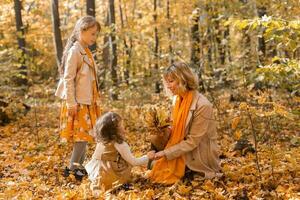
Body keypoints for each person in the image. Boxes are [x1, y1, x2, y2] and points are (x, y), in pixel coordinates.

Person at [149, 62, 222, 184]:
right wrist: (156, 143)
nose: (168, 86)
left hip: (197, 154)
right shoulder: (177, 100)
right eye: (166, 82)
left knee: (158, 167)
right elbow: (175, 129)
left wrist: (165, 153)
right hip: (182, 148)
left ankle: (189, 171)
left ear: (183, 80)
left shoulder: (203, 105)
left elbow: (192, 141)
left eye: (171, 81)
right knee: (153, 162)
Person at [55, 16, 101, 181]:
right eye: (92, 34)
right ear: (82, 31)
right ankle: (72, 171)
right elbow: (68, 78)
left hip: (86, 101)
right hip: (77, 103)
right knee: (81, 139)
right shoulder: (75, 51)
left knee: (85, 137)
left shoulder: (85, 50)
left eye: (96, 34)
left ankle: (78, 170)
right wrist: (71, 103)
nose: (94, 38)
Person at [85, 112, 155, 194]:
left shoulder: (102, 142)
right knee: (127, 163)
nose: (123, 127)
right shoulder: (120, 145)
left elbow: (96, 158)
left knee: (119, 161)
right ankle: (119, 184)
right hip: (111, 174)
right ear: (115, 130)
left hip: (99, 172)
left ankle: (104, 184)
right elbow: (134, 162)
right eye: (121, 125)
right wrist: (148, 157)